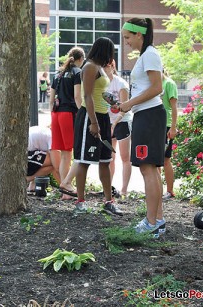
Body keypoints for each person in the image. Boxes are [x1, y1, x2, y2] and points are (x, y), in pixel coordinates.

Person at [120, 18, 166, 236]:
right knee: (152, 169)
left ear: (139, 34)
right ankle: (157, 221)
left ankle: (151, 223)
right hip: (146, 116)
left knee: (148, 168)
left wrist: (129, 103)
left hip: (149, 117)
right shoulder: (146, 55)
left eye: (128, 37)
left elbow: (157, 87)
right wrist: (126, 104)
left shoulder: (150, 55)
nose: (126, 42)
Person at [73, 37, 122, 216]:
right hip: (89, 118)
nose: (111, 57)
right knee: (84, 161)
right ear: (104, 51)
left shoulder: (99, 67)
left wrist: (114, 101)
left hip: (102, 117)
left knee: (105, 161)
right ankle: (80, 202)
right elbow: (87, 96)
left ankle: (109, 202)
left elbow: (100, 93)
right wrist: (93, 123)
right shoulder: (90, 67)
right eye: (110, 52)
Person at [49, 47, 84, 200]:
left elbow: (51, 100)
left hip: (56, 115)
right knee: (72, 153)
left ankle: (65, 192)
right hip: (69, 114)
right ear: (81, 59)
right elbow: (77, 97)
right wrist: (84, 114)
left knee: (64, 154)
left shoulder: (58, 74)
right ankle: (67, 186)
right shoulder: (77, 73)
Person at [105, 60, 132, 198]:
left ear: (112, 66)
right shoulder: (101, 83)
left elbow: (125, 107)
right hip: (107, 122)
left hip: (122, 122)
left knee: (125, 157)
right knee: (109, 158)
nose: (103, 69)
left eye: (105, 65)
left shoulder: (121, 83)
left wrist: (115, 123)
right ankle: (108, 189)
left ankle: (124, 190)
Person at [161, 73, 178, 200]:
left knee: (166, 159)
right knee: (154, 161)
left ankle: (170, 191)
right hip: (155, 126)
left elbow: (174, 107)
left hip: (166, 126)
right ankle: (157, 190)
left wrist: (173, 127)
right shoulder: (153, 84)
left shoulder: (169, 84)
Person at [26, 126, 60, 191]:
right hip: (24, 160)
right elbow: (57, 167)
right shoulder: (52, 137)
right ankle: (28, 179)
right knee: (53, 161)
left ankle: (32, 185)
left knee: (50, 166)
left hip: (24, 158)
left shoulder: (45, 132)